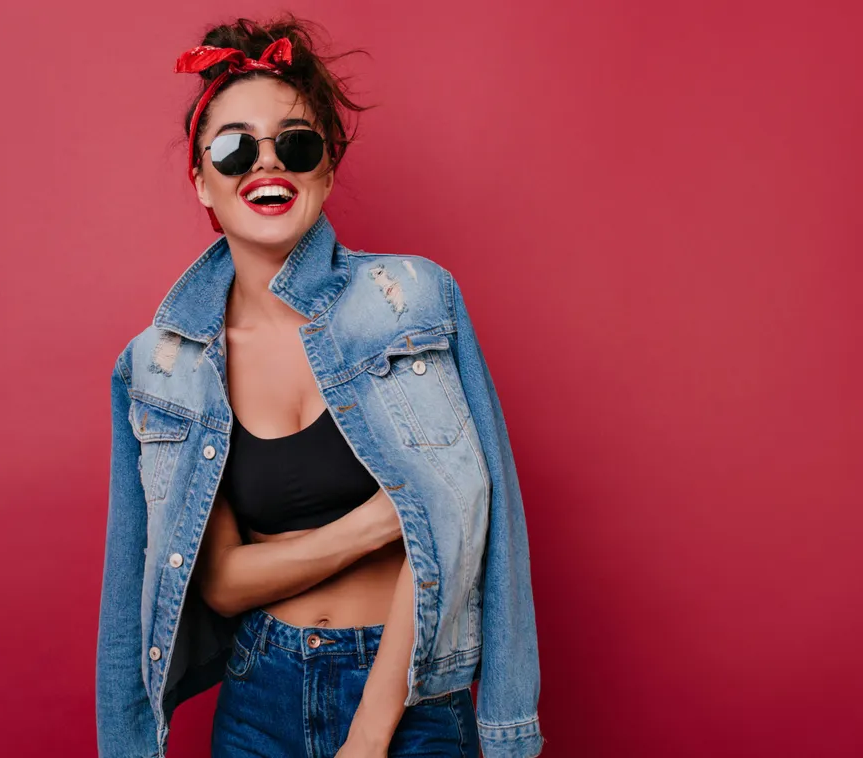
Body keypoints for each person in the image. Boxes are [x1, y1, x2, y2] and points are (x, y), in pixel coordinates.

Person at [96, 14, 544, 758]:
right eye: (235, 147)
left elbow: (463, 527)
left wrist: (370, 734)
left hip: (409, 697)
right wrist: (381, 522)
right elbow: (220, 584)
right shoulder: (160, 367)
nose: (265, 165)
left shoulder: (411, 303)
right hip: (257, 694)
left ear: (326, 170)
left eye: (295, 144)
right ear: (202, 181)